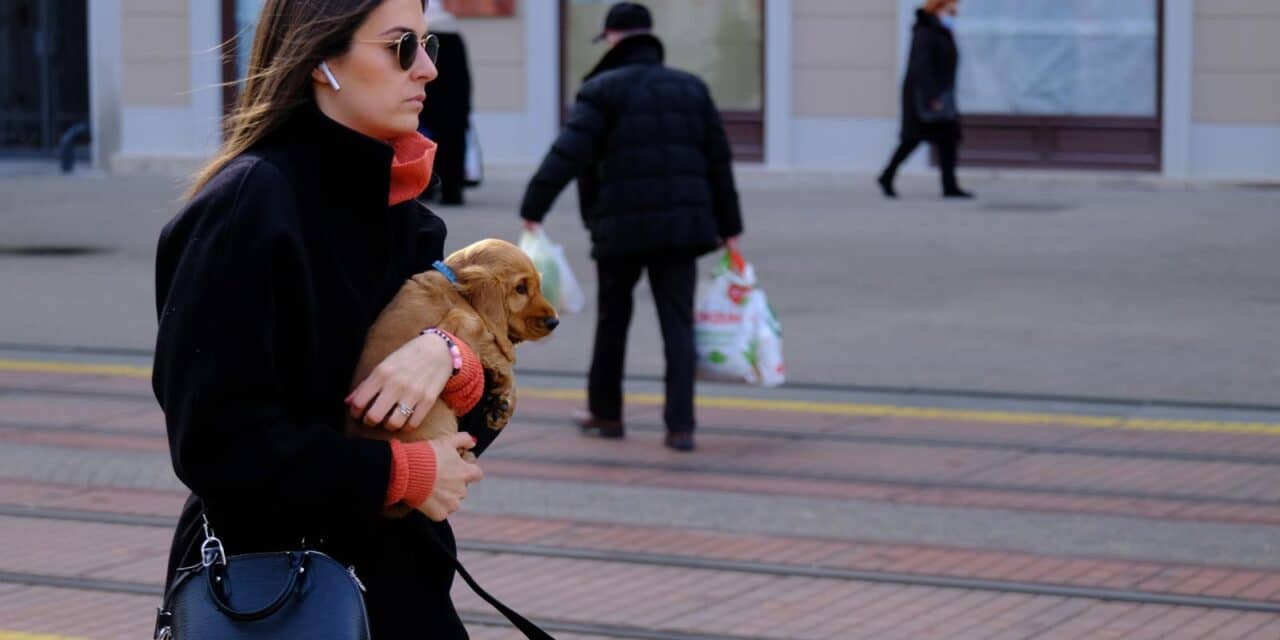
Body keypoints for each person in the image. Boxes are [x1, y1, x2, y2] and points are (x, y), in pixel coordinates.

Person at [152, 1, 488, 637]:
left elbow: (458, 440)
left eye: (429, 46)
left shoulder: (404, 212)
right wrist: (396, 474)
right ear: (320, 58)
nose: (426, 69)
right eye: (401, 47)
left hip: (402, 589)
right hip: (277, 598)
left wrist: (451, 358)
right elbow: (216, 444)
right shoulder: (247, 207)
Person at [518, 2, 743, 453]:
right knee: (677, 324)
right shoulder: (691, 88)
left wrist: (534, 205)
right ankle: (681, 427)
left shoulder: (601, 90)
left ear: (612, 38)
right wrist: (730, 227)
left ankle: (606, 414)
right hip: (681, 230)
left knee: (612, 321)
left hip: (619, 229)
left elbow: (569, 153)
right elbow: (718, 161)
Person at [878, 0, 974, 199]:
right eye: (951, 6)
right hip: (924, 97)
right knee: (912, 140)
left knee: (948, 139)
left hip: (941, 94)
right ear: (940, 6)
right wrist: (932, 96)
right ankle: (887, 175)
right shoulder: (926, 31)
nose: (955, 10)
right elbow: (921, 66)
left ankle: (949, 186)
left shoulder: (941, 30)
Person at [418, 2, 472, 205]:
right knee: (453, 139)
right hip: (454, 98)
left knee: (424, 136)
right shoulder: (455, 35)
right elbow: (464, 78)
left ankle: (426, 185)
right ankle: (452, 189)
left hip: (429, 93)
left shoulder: (422, 37)